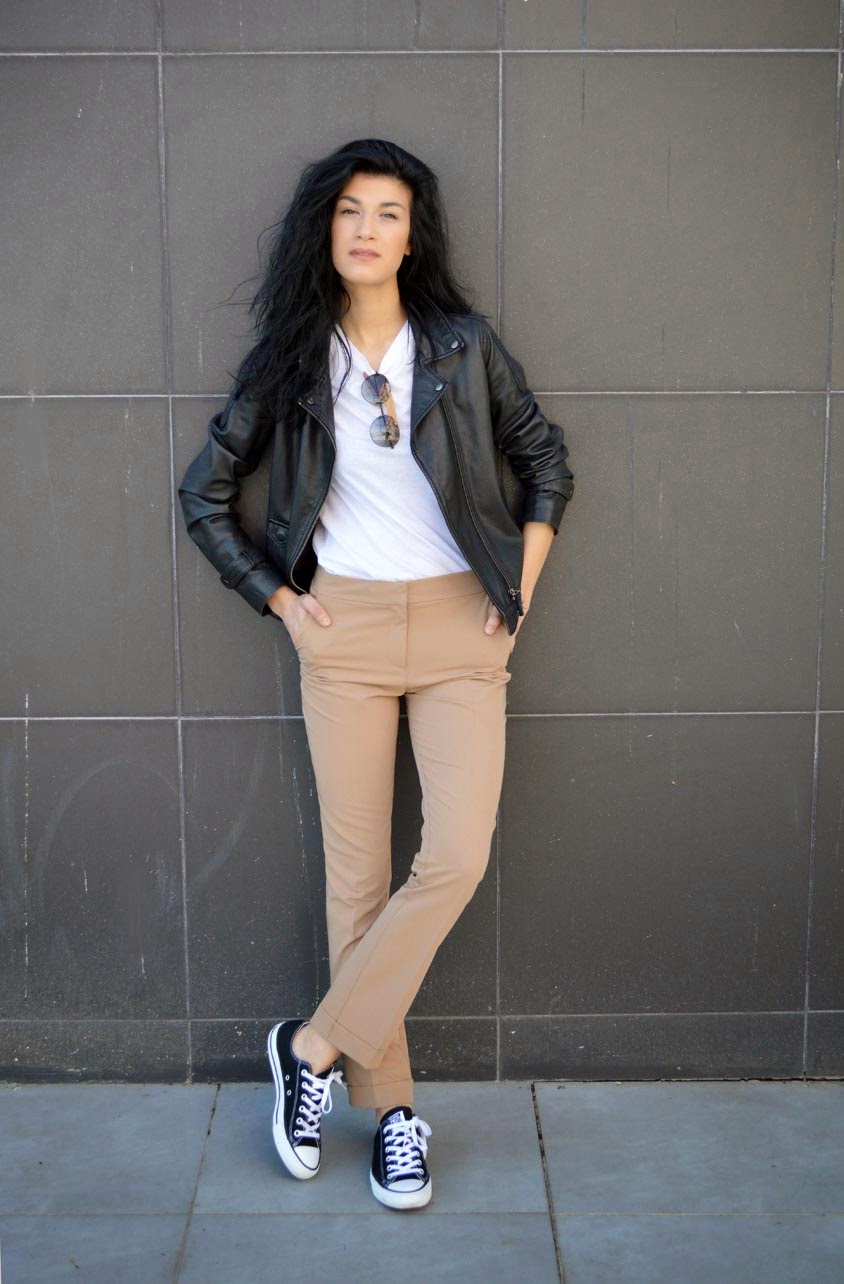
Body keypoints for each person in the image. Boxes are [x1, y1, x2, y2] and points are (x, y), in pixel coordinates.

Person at [178, 138, 574, 1211]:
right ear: (327, 229)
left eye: (388, 213)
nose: (366, 229)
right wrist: (284, 604)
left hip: (459, 627)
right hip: (342, 630)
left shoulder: (462, 347)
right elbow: (204, 494)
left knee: (454, 856)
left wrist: (518, 590)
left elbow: (545, 461)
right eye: (350, 210)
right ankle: (394, 1114)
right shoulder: (290, 362)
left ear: (412, 237)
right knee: (356, 885)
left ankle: (308, 1050)